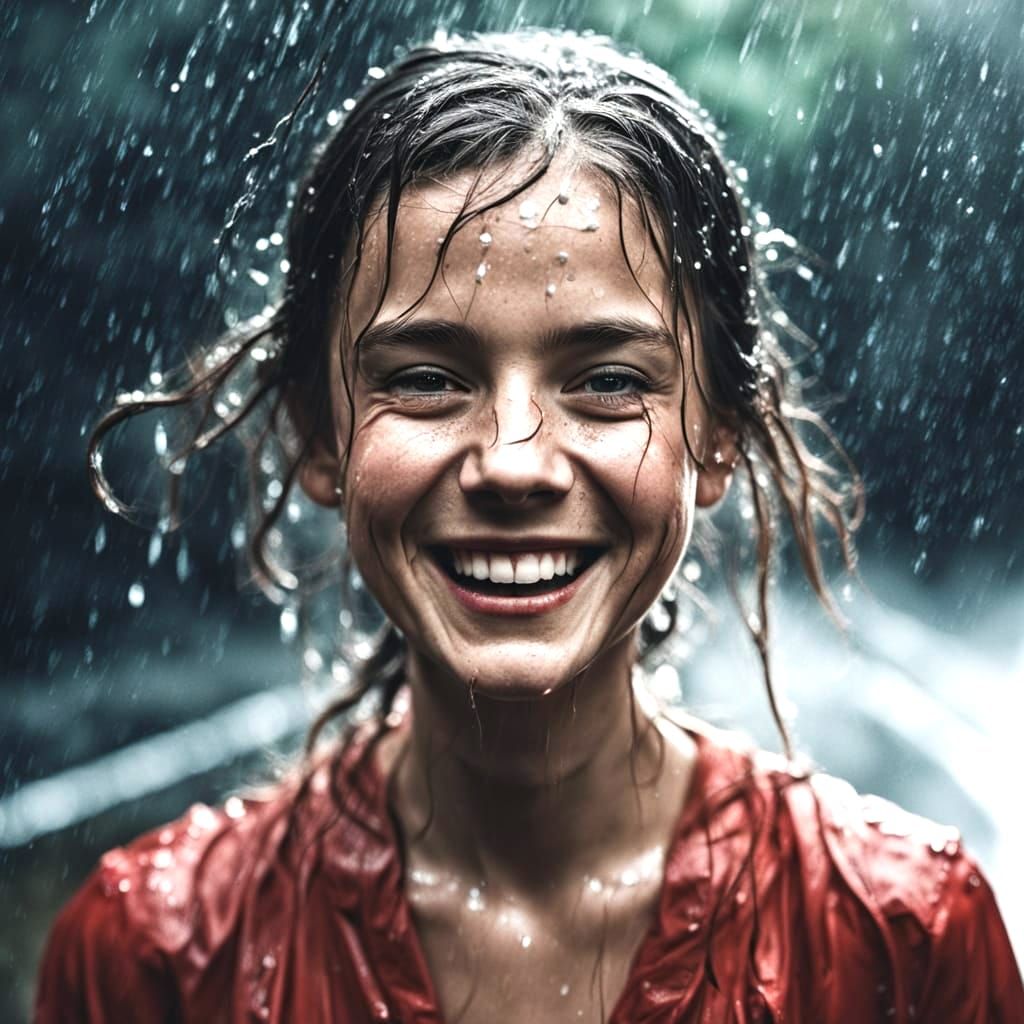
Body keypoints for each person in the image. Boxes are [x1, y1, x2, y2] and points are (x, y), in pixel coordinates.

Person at [36, 29, 1022, 1024]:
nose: (512, 462)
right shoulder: (155, 959)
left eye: (605, 380)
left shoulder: (901, 943)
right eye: (425, 378)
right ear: (318, 434)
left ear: (715, 436)